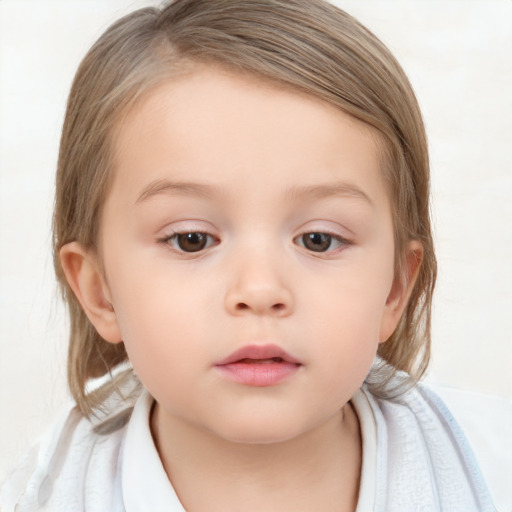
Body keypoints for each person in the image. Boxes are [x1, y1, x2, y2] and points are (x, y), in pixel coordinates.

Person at [1, 0, 509, 510]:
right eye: (191, 239)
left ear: (396, 288)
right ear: (99, 290)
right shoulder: (34, 498)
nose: (260, 290)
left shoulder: (494, 468)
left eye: (319, 240)